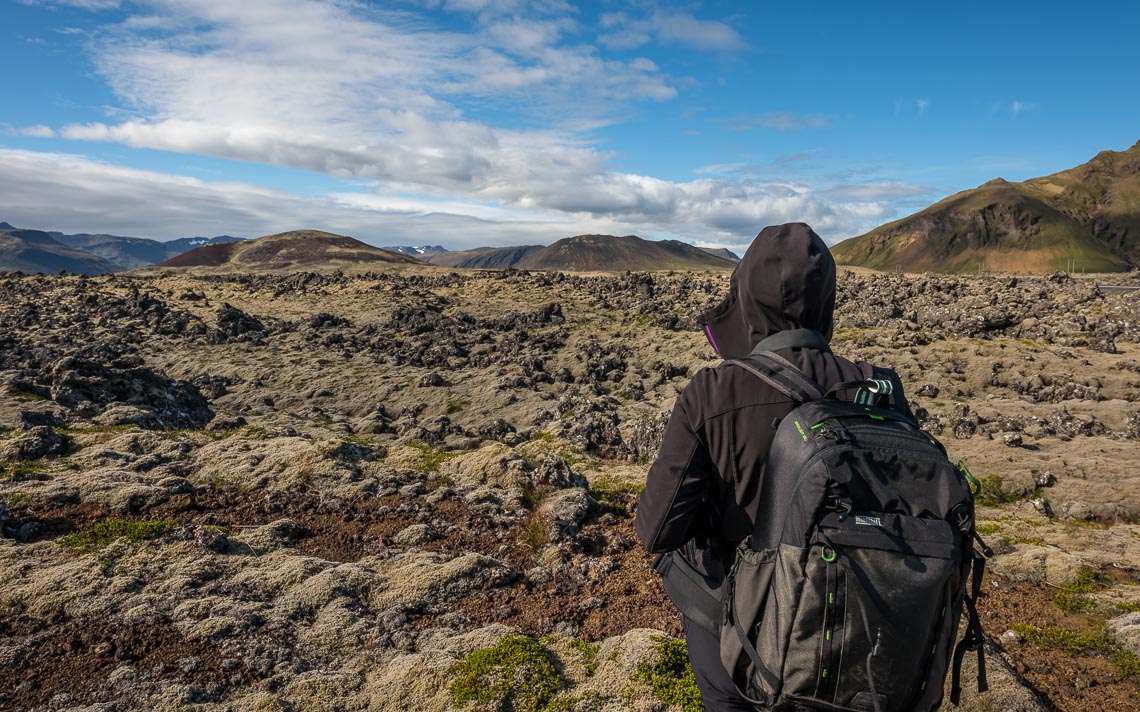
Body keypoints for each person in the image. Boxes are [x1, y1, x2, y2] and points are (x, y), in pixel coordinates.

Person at [634, 222, 913, 711]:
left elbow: (657, 529)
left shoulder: (712, 393)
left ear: (745, 295)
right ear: (827, 297)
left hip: (739, 642)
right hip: (855, 632)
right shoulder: (881, 390)